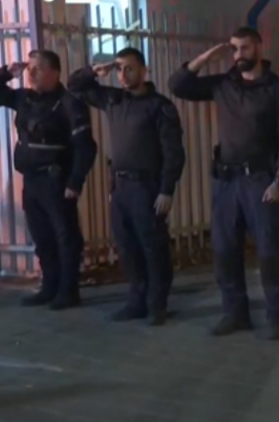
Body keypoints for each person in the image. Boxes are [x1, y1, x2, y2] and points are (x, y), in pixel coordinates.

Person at [168, 26, 279, 340]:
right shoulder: (223, 84)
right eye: (234, 49)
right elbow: (178, 86)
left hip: (261, 180)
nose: (239, 54)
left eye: (244, 48)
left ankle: (278, 315)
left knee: (269, 249)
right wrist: (204, 58)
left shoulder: (278, 90)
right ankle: (235, 313)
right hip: (227, 181)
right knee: (225, 249)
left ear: (259, 47)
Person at [67, 47, 185, 326]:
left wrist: (167, 189)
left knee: (152, 246)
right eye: (119, 69)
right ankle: (136, 301)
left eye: (129, 68)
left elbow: (174, 152)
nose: (123, 74)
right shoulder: (114, 99)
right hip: (120, 187)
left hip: (147, 187)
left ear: (144, 70)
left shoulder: (159, 106)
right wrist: (95, 71)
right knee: (127, 246)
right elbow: (75, 86)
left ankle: (157, 305)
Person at [0, 50, 97, 310]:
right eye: (29, 67)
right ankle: (50, 286)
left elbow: (85, 147)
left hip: (56, 180)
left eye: (38, 68)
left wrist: (75, 181)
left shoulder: (68, 103)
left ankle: (68, 290)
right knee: (42, 236)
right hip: (31, 179)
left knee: (65, 237)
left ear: (55, 73)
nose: (31, 73)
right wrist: (6, 73)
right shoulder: (25, 98)